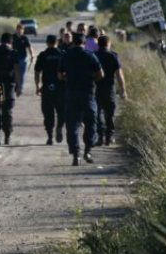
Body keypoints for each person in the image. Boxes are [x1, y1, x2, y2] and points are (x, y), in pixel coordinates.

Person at [59, 33, 104, 166]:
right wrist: (92, 80)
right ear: (84, 43)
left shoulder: (66, 55)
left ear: (73, 42)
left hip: (72, 93)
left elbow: (60, 75)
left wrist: (68, 79)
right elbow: (101, 74)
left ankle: (75, 153)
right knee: (91, 122)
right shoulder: (90, 55)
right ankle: (88, 151)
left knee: (72, 125)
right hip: (88, 93)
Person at [94, 35, 127, 146]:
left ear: (98, 44)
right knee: (110, 113)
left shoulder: (93, 55)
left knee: (97, 112)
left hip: (96, 87)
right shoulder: (113, 56)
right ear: (108, 43)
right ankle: (109, 136)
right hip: (109, 88)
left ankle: (100, 135)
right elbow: (119, 75)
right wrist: (123, 90)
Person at [34, 35, 65, 145]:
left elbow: (37, 72)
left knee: (48, 113)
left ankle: (50, 136)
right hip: (61, 88)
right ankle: (60, 127)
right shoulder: (62, 54)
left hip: (47, 88)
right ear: (57, 42)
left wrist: (37, 86)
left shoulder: (43, 55)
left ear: (47, 43)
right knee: (62, 111)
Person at [11, 23, 35, 96]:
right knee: (14, 74)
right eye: (18, 29)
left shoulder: (25, 38)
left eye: (21, 29)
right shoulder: (13, 37)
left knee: (22, 75)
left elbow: (29, 47)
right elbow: (9, 46)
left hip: (23, 58)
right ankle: (15, 87)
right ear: (16, 29)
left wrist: (32, 55)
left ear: (23, 30)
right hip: (14, 59)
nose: (20, 31)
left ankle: (20, 89)